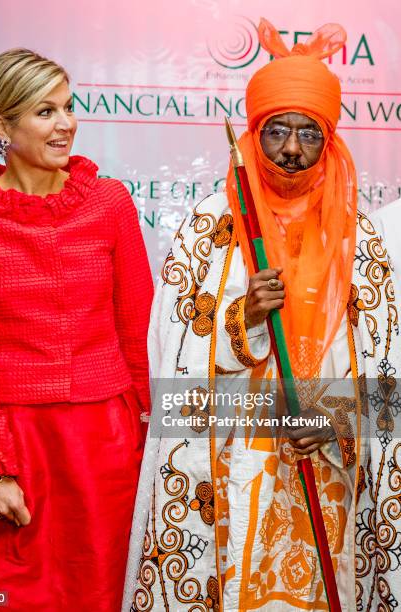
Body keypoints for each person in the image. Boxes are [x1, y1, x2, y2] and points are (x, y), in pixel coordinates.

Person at [122, 20, 401, 612]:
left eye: (309, 134)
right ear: (252, 133)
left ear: (330, 142)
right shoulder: (208, 228)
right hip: (230, 465)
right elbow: (170, 371)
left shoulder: (363, 241)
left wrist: (335, 421)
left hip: (326, 473)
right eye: (277, 132)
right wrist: (240, 318)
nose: (292, 150)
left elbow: (391, 370)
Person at [0, 48, 153, 611]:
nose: (66, 125)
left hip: (104, 445)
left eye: (68, 107)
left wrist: (158, 445)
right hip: (12, 443)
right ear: (2, 126)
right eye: (45, 112)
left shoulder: (110, 203)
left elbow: (139, 334)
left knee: (101, 591)